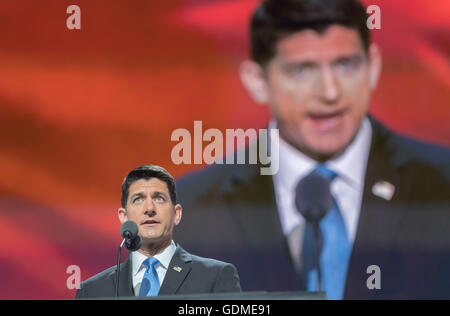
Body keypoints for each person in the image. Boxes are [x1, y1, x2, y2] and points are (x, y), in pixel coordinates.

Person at [174, 0, 450, 299]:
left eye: (346, 65)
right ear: (257, 81)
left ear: (373, 66)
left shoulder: (442, 186)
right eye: (302, 70)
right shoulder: (190, 213)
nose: (330, 92)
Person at [75, 165, 241, 298]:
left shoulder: (215, 277)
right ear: (124, 217)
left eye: (159, 198)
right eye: (138, 199)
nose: (149, 209)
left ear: (176, 214)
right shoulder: (92, 291)